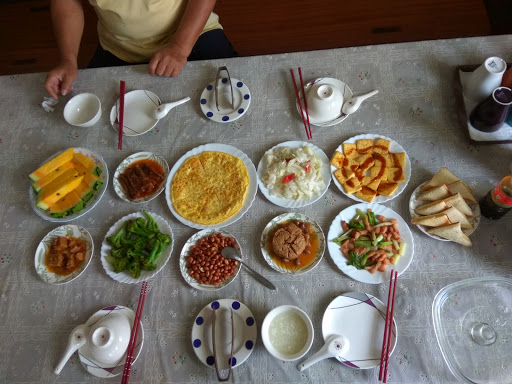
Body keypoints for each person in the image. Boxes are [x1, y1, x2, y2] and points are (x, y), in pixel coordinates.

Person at [45, 0, 237, 99]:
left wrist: (179, 47)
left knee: (235, 92)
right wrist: (68, 59)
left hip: (193, 34)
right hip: (119, 48)